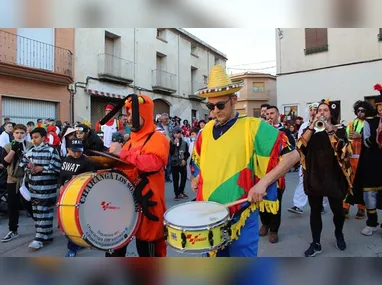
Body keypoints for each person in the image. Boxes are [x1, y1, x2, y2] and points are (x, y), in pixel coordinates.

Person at [191, 65, 300, 257]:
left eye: (220, 105)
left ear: (234, 100)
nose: (214, 111)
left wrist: (263, 183)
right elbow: (200, 161)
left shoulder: (253, 126)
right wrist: (197, 176)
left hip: (241, 214)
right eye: (210, 106)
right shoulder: (205, 131)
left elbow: (293, 156)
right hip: (208, 214)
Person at [108, 94, 170, 257]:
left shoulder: (158, 138)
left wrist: (123, 154)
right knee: (115, 247)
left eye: (131, 115)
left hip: (148, 204)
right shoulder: (129, 142)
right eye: (127, 115)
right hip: (125, 205)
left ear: (144, 115)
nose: (127, 119)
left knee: (147, 252)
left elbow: (153, 163)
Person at [297, 99, 352, 257]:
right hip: (315, 176)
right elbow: (300, 147)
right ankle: (316, 243)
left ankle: (339, 234)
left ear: (330, 114)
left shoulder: (339, 130)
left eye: (325, 110)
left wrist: (329, 129)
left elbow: (343, 151)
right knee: (315, 211)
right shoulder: (310, 130)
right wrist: (312, 126)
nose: (321, 112)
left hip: (334, 177)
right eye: (319, 110)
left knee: (338, 212)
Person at [19, 127, 62, 250]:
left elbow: (57, 167)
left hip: (48, 187)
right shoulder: (30, 151)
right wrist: (29, 167)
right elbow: (23, 165)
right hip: (34, 187)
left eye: (36, 137)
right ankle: (46, 235)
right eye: (32, 138)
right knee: (37, 212)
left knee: (45, 211)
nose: (34, 140)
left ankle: (39, 237)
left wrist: (43, 168)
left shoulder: (51, 151)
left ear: (44, 137)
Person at [259, 105, 296, 243]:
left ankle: (274, 230)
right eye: (267, 113)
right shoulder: (261, 130)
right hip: (262, 171)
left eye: (272, 113)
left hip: (278, 173)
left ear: (278, 115)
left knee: (276, 202)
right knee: (261, 199)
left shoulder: (285, 131)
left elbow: (292, 152)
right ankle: (265, 224)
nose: (269, 116)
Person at [351, 84, 382, 236]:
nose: (381, 108)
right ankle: (371, 223)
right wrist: (377, 136)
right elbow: (368, 143)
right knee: (370, 193)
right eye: (379, 106)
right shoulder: (370, 122)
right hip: (371, 162)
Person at [287, 103, 329, 215]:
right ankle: (298, 205)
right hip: (308, 159)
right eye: (312, 110)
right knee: (303, 181)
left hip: (322, 159)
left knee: (323, 181)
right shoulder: (305, 125)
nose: (314, 112)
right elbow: (301, 142)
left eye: (316, 109)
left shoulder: (327, 124)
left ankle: (322, 205)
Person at [58, 138, 94, 257]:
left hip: (80, 195)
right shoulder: (66, 160)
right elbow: (61, 175)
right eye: (74, 151)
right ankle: (73, 247)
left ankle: (78, 244)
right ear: (68, 150)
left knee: (79, 220)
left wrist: (78, 178)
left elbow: (90, 177)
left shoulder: (86, 161)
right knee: (68, 220)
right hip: (66, 194)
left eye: (79, 151)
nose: (77, 153)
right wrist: (61, 185)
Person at [1, 124, 34, 243]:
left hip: (26, 179)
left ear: (25, 134)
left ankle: (41, 227)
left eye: (22, 133)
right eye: (17, 133)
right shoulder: (8, 146)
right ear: (13, 134)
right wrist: (14, 150)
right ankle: (13, 230)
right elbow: (4, 163)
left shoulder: (30, 146)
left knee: (30, 203)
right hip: (12, 179)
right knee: (12, 205)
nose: (19, 135)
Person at [342, 100, 374, 219]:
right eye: (358, 110)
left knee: (362, 184)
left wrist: (360, 137)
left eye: (363, 110)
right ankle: (345, 206)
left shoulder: (369, 124)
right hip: (351, 158)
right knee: (348, 183)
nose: (360, 112)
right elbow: (345, 139)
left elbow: (373, 140)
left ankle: (361, 208)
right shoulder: (351, 124)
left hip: (364, 159)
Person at [170, 127, 190, 200]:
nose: (176, 135)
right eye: (175, 133)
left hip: (182, 163)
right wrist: (173, 145)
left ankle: (181, 191)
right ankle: (176, 193)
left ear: (180, 134)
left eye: (178, 133)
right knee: (175, 179)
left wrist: (184, 160)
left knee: (183, 178)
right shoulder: (171, 142)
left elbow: (187, 153)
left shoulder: (185, 143)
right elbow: (170, 153)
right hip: (174, 163)